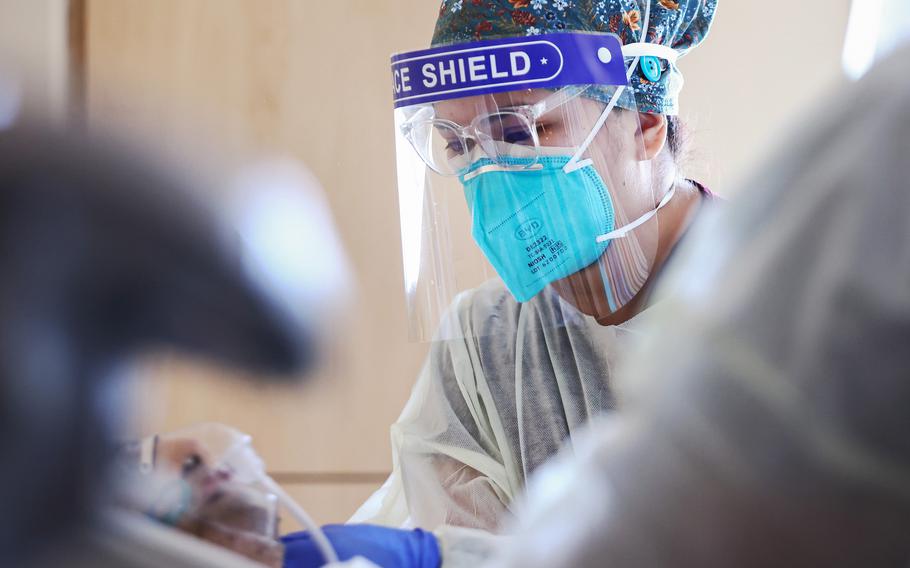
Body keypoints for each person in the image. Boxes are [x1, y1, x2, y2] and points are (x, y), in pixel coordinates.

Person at [354, 0, 720, 531]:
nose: (489, 170)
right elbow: (461, 546)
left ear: (645, 121)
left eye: (521, 132)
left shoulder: (780, 304)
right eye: (459, 143)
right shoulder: (486, 342)